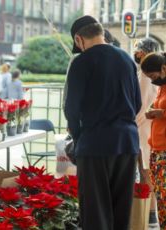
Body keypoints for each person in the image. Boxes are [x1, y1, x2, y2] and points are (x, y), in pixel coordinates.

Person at [64, 15, 141, 230]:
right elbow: (137, 103)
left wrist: (78, 137)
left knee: (95, 211)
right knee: (121, 209)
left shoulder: (82, 62)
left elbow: (72, 108)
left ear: (79, 39)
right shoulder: (126, 59)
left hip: (95, 144)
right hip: (127, 142)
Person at [133, 38, 160, 228]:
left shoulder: (144, 76)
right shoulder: (155, 74)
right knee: (147, 172)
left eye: (136, 50)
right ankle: (150, 213)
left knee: (145, 172)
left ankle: (149, 213)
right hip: (148, 127)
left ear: (142, 52)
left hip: (142, 129)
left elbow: (139, 106)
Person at [140, 52, 166, 229]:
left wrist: (162, 113)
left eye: (153, 76)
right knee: (160, 195)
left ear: (164, 68)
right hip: (156, 147)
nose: (152, 80)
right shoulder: (161, 88)